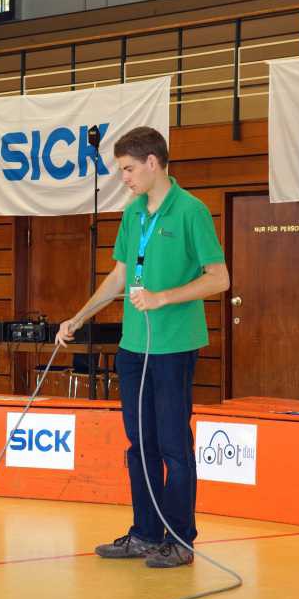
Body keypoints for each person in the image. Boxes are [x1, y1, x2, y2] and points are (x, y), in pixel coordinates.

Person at [55, 126, 230, 569]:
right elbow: (117, 277)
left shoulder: (191, 212)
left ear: (153, 162)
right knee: (139, 444)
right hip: (134, 347)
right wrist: (79, 316)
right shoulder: (133, 214)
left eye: (129, 169)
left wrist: (162, 297)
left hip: (174, 347)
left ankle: (179, 539)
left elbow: (220, 278)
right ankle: (145, 533)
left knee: (173, 444)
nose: (125, 178)